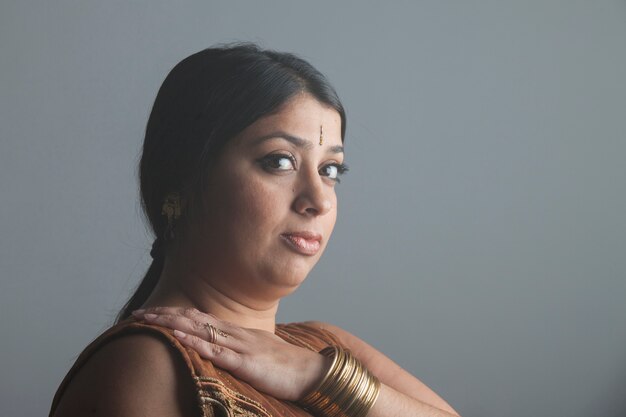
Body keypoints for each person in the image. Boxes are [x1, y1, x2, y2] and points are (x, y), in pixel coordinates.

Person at [49, 43, 460, 417]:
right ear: (184, 180)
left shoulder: (322, 348)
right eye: (279, 162)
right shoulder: (148, 364)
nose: (318, 199)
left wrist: (318, 378)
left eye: (330, 170)